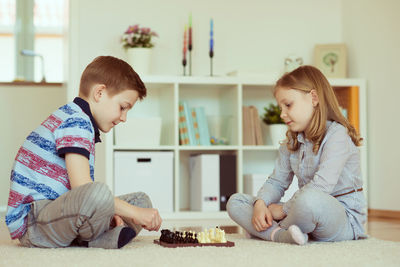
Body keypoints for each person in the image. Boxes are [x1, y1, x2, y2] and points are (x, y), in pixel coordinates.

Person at [5, 56, 162, 249]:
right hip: (35, 224)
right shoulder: (76, 120)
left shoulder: (80, 120)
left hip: (62, 213)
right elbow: (82, 187)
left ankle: (97, 235)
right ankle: (97, 238)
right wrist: (133, 214)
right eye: (122, 108)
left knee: (140, 201)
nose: (124, 118)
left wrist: (109, 209)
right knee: (101, 194)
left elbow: (79, 195)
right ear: (99, 93)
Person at [227, 65, 366, 245]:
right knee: (236, 202)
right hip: (302, 212)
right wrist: (260, 204)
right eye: (280, 107)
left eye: (288, 105)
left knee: (309, 200)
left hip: (343, 220)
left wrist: (284, 210)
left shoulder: (337, 135)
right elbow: (277, 181)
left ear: (314, 98)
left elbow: (322, 186)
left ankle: (270, 231)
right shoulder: (291, 142)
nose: (282, 114)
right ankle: (282, 235)